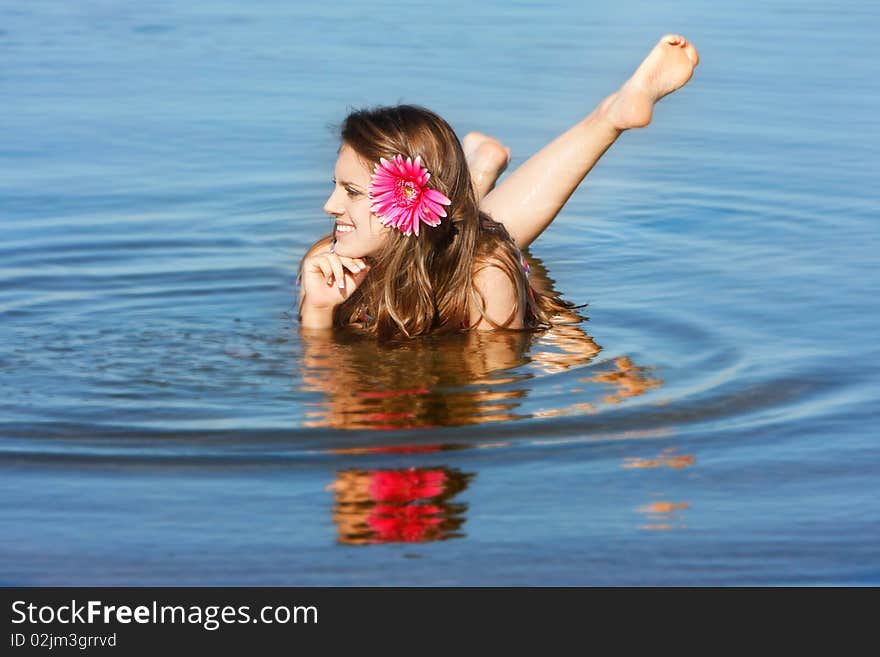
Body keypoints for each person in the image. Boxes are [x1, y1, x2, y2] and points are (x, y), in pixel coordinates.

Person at [298, 35, 699, 341]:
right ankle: (479, 167)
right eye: (337, 186)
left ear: (404, 194)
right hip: (438, 230)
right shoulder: (327, 264)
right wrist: (316, 311)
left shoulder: (485, 273)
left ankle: (610, 116)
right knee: (464, 217)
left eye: (351, 192)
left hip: (481, 259)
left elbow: (495, 391)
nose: (329, 206)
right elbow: (318, 389)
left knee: (490, 233)